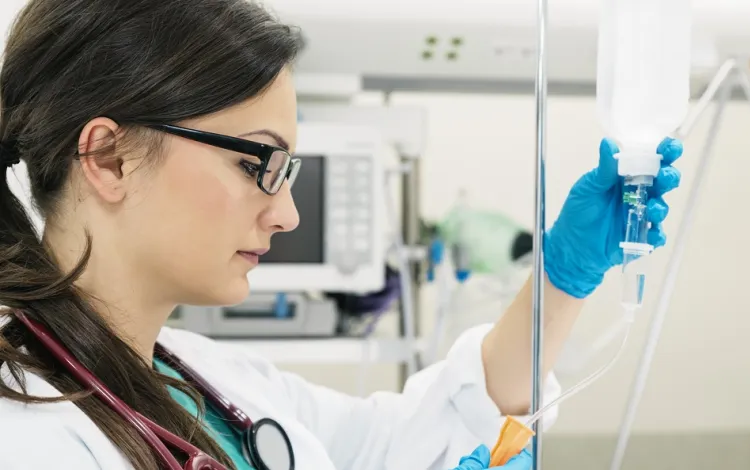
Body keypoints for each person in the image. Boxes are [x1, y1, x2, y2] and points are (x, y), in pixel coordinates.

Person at [0, 1, 683, 469]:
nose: (286, 213)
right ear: (108, 158)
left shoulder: (202, 377)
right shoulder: (27, 430)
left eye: (287, 168)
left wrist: (561, 280)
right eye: (258, 162)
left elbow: (399, 445)